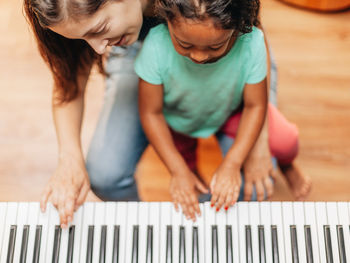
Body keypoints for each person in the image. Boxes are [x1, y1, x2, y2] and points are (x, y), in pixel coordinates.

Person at [23, 0, 311, 227]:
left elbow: (251, 33)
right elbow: (68, 85)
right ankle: (157, 229)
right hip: (135, 51)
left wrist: (259, 144)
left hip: (231, 55)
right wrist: (69, 158)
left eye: (98, 29)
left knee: (256, 177)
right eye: (81, 38)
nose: (99, 50)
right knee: (105, 175)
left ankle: (215, 214)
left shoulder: (230, 31)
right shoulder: (134, 44)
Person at [135, 0, 311, 220]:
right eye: (185, 44)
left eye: (215, 46)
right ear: (166, 19)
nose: (199, 57)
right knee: (186, 169)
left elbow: (255, 105)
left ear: (239, 26)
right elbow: (151, 113)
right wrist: (179, 171)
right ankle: (196, 180)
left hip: (231, 111)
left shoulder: (251, 42)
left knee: (286, 141)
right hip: (179, 121)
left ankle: (287, 166)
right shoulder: (155, 45)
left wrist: (233, 163)